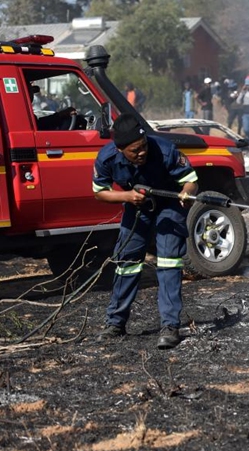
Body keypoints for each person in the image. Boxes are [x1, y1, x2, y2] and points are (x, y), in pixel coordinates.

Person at [92, 113, 199, 349]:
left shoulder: (164, 149)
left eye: (143, 147)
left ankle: (170, 326)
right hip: (135, 204)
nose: (142, 153)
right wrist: (126, 197)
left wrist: (187, 193)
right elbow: (100, 192)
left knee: (169, 261)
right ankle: (115, 323)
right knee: (127, 261)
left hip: (169, 206)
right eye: (134, 151)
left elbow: (191, 180)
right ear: (120, 149)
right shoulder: (106, 157)